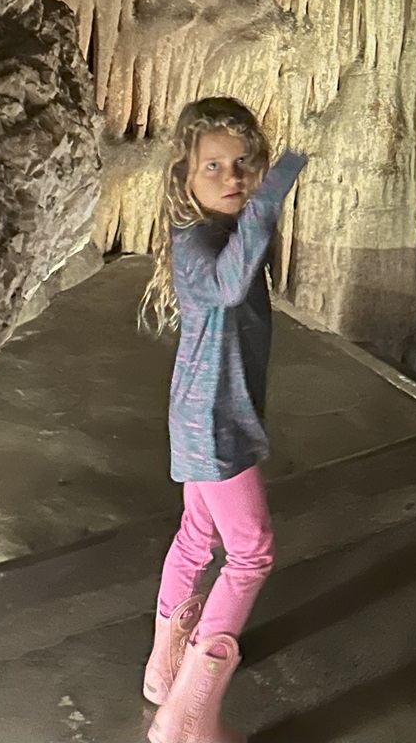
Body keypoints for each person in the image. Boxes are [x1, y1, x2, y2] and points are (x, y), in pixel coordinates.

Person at [139, 97, 307, 743]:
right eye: (213, 166)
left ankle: (165, 670)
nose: (233, 177)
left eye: (243, 165)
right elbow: (228, 284)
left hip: (203, 415)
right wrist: (272, 193)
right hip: (215, 426)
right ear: (184, 175)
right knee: (251, 554)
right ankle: (186, 718)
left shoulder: (210, 235)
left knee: (196, 537)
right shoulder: (198, 247)